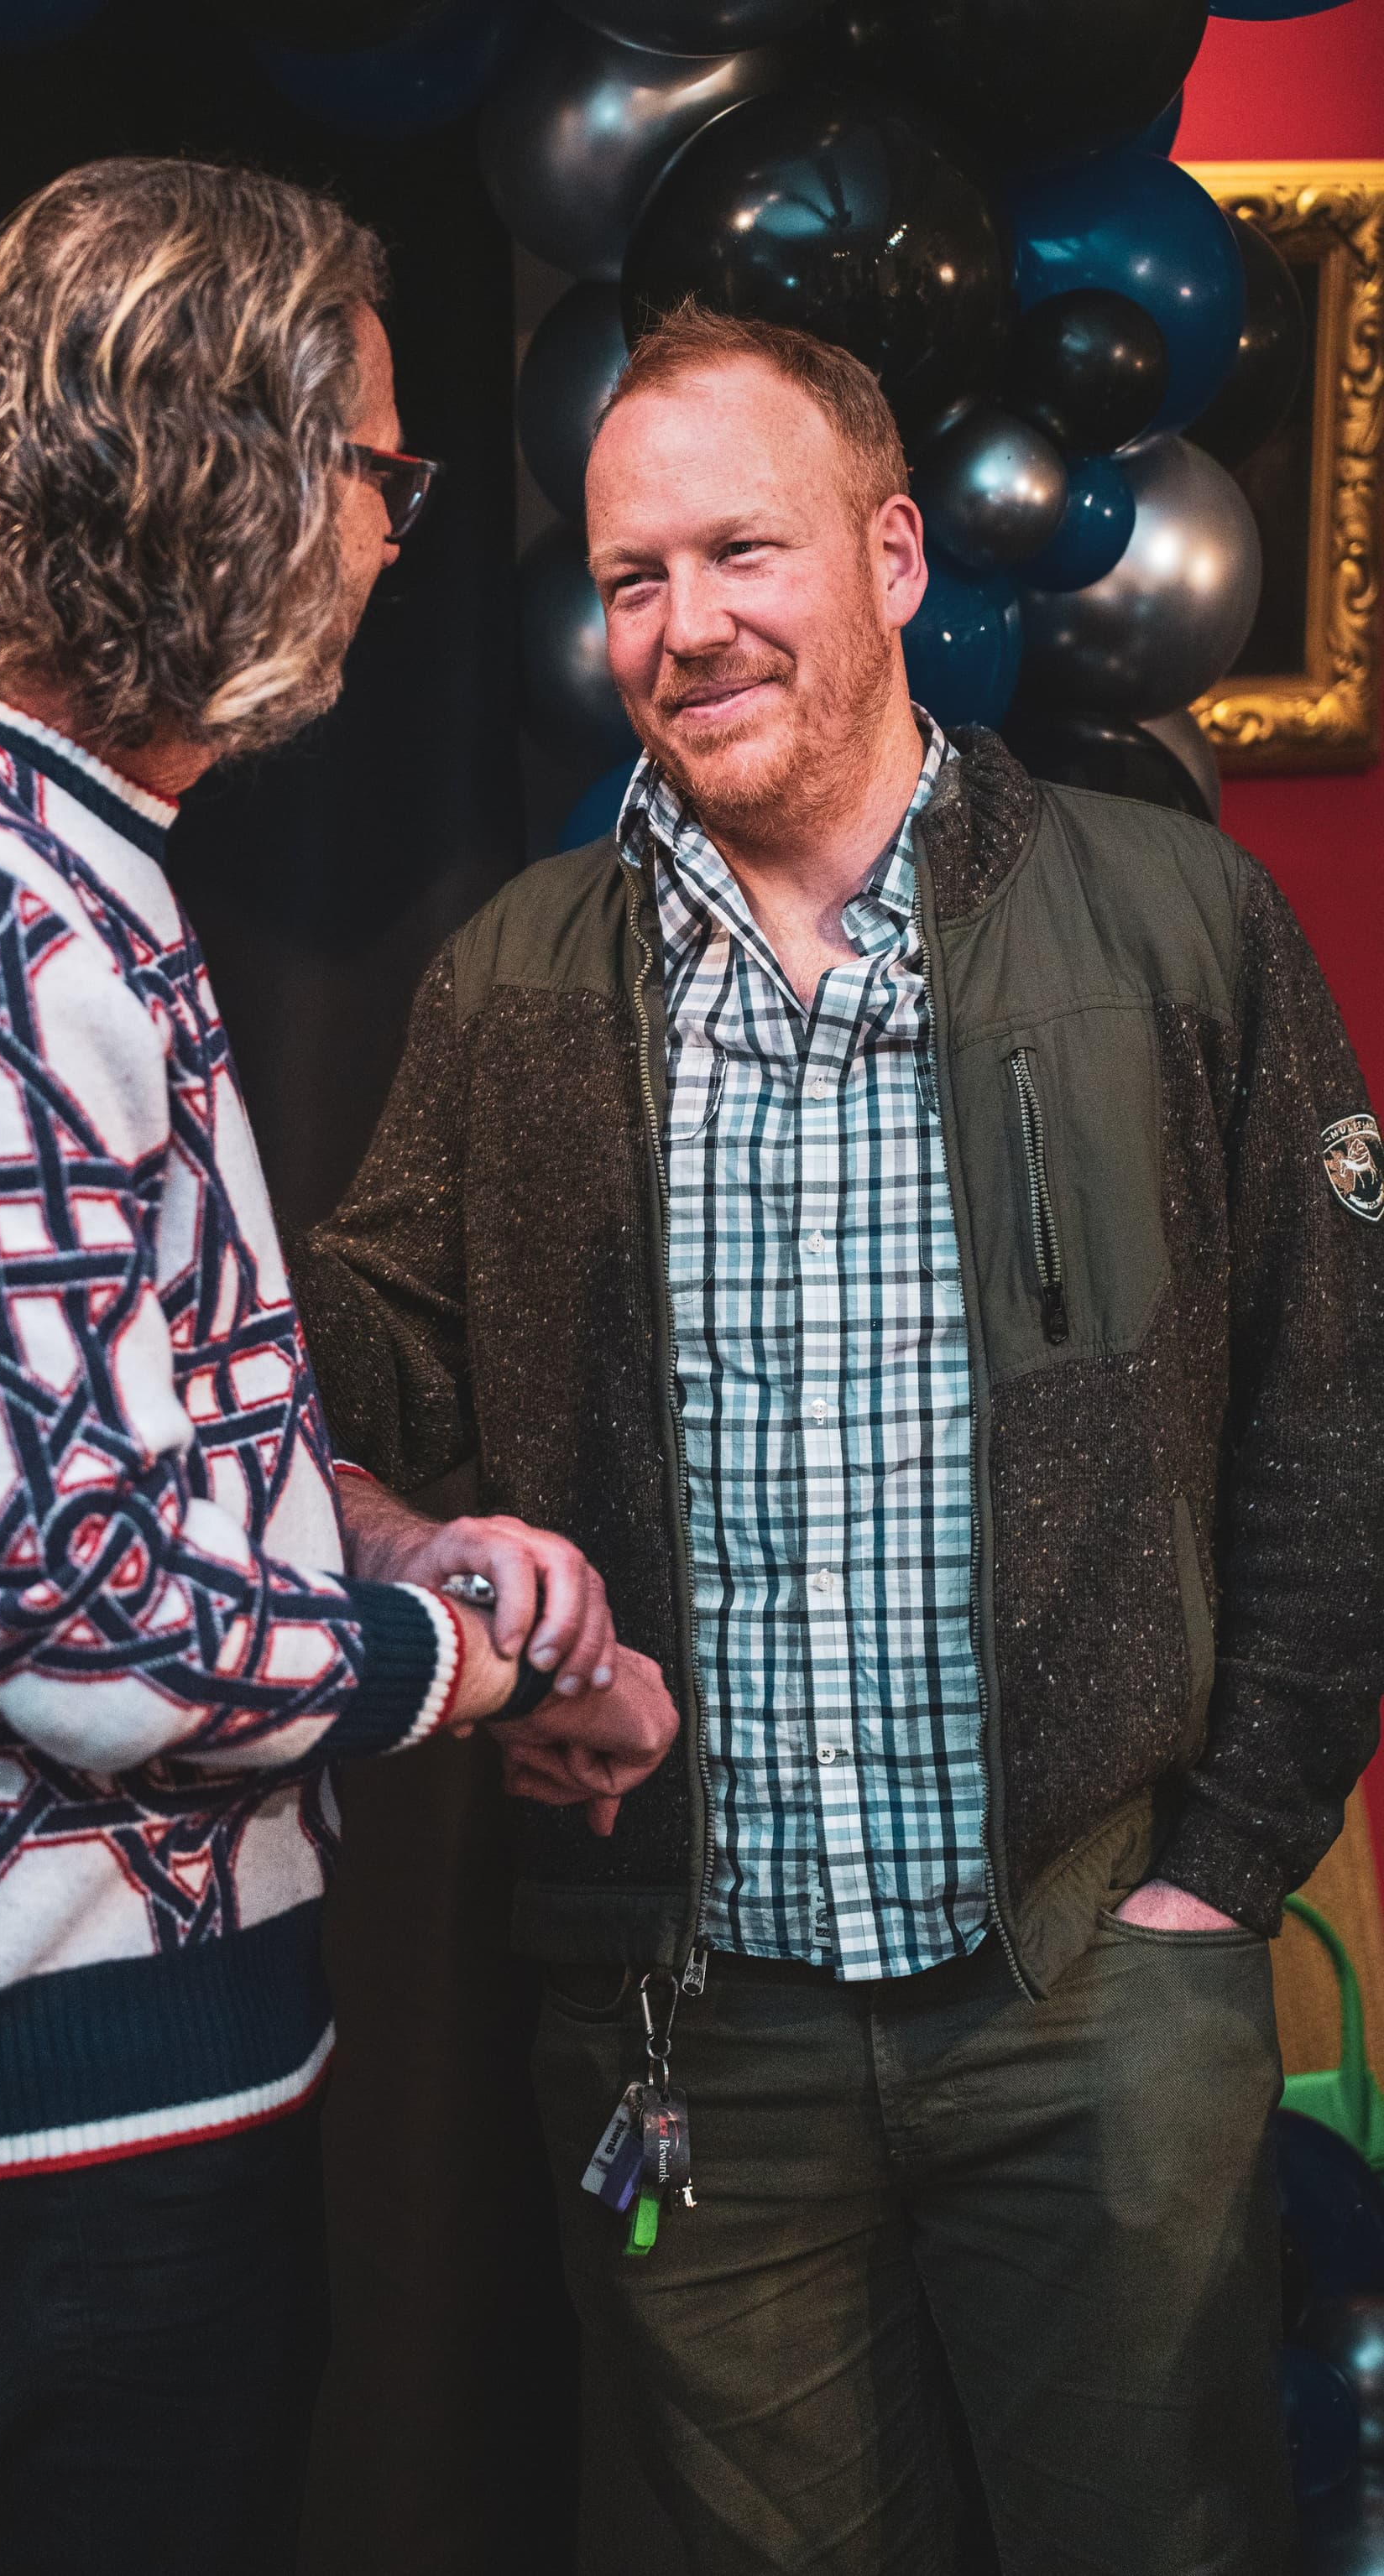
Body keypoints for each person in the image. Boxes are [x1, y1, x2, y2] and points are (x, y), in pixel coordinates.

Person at [292, 300, 1384, 2573]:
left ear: (895, 558)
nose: (683, 631)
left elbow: (1332, 1401)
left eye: (740, 553)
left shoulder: (1178, 926)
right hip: (692, 2034)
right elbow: (337, 1398)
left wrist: (1227, 1861)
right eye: (628, 581)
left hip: (1094, 1993)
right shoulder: (513, 985)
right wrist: (465, 1590)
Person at [0, 156, 676, 2576]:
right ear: (213, 469)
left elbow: (125, 1439)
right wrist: (456, 1662)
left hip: (39, 2074)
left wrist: (419, 1545)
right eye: (377, 468)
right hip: (48, 2104)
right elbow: (100, 1630)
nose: (397, 536)